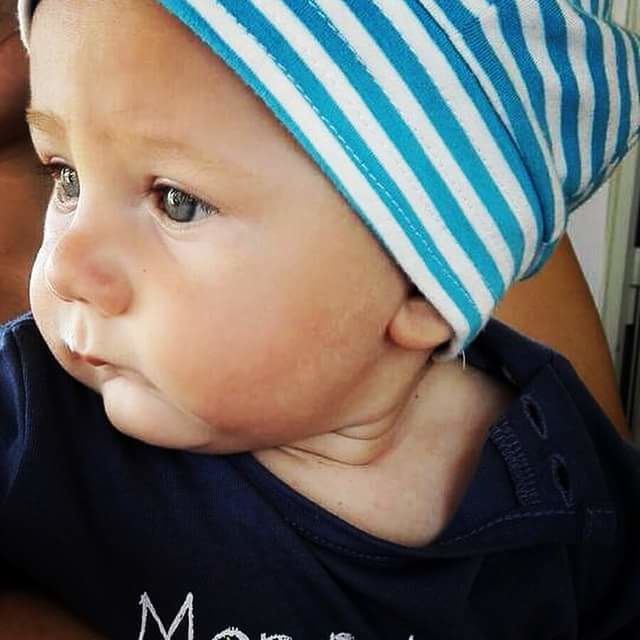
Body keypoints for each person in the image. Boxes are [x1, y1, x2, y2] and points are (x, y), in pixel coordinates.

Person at [1, 0, 639, 638]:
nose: (64, 267)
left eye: (179, 202)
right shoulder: (29, 412)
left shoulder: (568, 489)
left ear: (420, 289)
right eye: (67, 177)